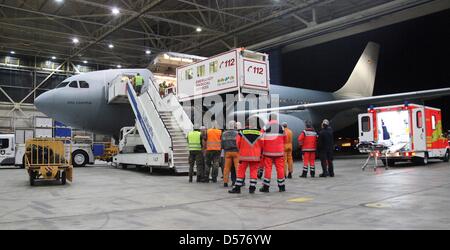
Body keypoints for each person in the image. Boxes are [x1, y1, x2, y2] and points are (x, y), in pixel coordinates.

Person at [229, 122, 263, 194]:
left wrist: (241, 150)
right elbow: (263, 144)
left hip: (244, 156)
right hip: (255, 156)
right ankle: (252, 188)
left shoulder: (241, 132)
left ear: (246, 125)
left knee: (241, 171)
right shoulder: (260, 133)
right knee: (254, 171)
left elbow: (237, 143)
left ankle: (237, 188)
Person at [260, 114, 286, 193]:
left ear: (269, 119)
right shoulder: (281, 127)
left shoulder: (265, 127)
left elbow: (261, 139)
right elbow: (285, 138)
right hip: (279, 152)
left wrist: (263, 148)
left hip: (268, 152)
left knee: (268, 169)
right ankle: (281, 187)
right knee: (280, 168)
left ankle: (266, 187)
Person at [221, 121, 239, 187]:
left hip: (227, 152)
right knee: (237, 168)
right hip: (236, 152)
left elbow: (222, 144)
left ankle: (225, 182)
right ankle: (237, 182)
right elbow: (239, 143)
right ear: (235, 126)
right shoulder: (237, 133)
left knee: (226, 168)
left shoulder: (224, 133)